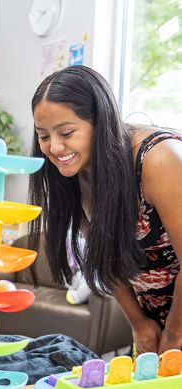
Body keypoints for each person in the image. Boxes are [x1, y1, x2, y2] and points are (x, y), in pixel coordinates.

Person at [28, 65, 182, 356]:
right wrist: (139, 324)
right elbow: (107, 255)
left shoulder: (158, 159)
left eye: (67, 132)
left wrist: (174, 336)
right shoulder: (73, 174)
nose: (55, 147)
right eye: (43, 135)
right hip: (159, 321)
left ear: (101, 121)